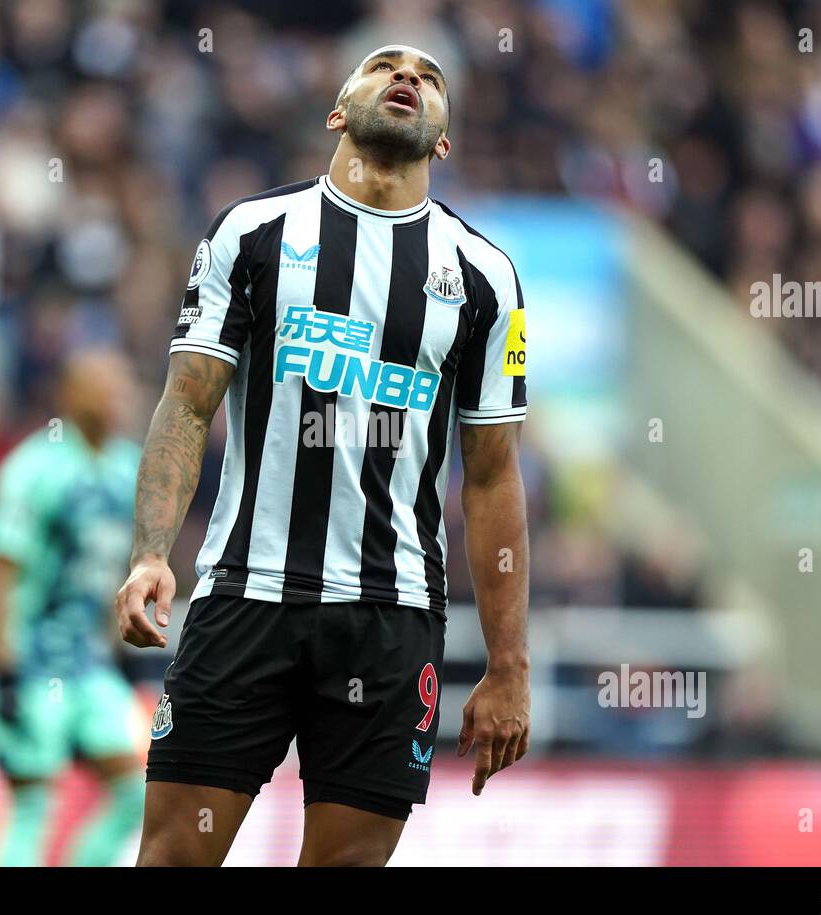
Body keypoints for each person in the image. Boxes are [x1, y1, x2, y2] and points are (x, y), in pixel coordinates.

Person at [116, 46, 531, 866]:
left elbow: (491, 476)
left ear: (444, 141)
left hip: (392, 619)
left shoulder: (486, 278)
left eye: (430, 77)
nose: (408, 78)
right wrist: (151, 554)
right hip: (246, 597)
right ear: (338, 111)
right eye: (384, 66)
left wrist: (509, 667)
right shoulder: (254, 232)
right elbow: (187, 402)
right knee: (171, 859)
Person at [0, 349, 146, 866]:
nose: (119, 397)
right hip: (31, 659)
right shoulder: (36, 466)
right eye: (105, 386)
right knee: (33, 802)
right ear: (73, 396)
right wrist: (5, 666)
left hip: (88, 661)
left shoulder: (127, 466)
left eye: (123, 385)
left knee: (138, 792)